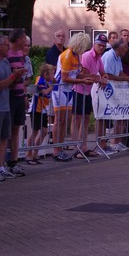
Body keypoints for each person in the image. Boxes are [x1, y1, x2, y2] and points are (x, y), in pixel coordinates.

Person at [0, 34, 28, 180]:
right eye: (6, 45)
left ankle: (0, 167)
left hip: (5, 105)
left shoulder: (5, 62)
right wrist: (13, 77)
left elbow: (9, 83)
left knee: (3, 138)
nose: (9, 47)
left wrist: (17, 77)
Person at [52, 33, 94, 162]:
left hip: (69, 90)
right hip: (59, 89)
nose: (85, 49)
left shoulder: (76, 56)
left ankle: (60, 148)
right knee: (59, 120)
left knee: (65, 121)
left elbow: (76, 74)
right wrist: (82, 81)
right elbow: (65, 78)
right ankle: (56, 150)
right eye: (85, 46)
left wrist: (88, 77)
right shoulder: (67, 55)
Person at [75, 34, 108, 157]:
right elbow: (83, 75)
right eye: (99, 45)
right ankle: (78, 149)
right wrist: (97, 78)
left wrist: (104, 78)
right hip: (79, 90)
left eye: (103, 46)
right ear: (94, 44)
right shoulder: (87, 56)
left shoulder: (99, 58)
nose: (101, 48)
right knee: (78, 120)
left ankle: (84, 148)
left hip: (88, 91)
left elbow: (103, 73)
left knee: (86, 119)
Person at [6, 28, 31, 177]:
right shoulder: (7, 54)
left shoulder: (21, 55)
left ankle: (14, 161)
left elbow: (24, 78)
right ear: (19, 40)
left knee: (16, 129)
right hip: (9, 96)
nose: (26, 43)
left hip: (19, 95)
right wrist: (15, 76)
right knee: (6, 131)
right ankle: (2, 162)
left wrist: (24, 95)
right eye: (24, 39)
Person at [25, 63, 55, 165]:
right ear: (46, 74)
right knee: (35, 131)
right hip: (36, 109)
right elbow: (45, 92)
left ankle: (35, 152)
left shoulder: (48, 81)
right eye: (52, 73)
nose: (53, 75)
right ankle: (28, 153)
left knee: (44, 131)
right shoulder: (40, 80)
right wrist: (51, 87)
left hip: (43, 109)